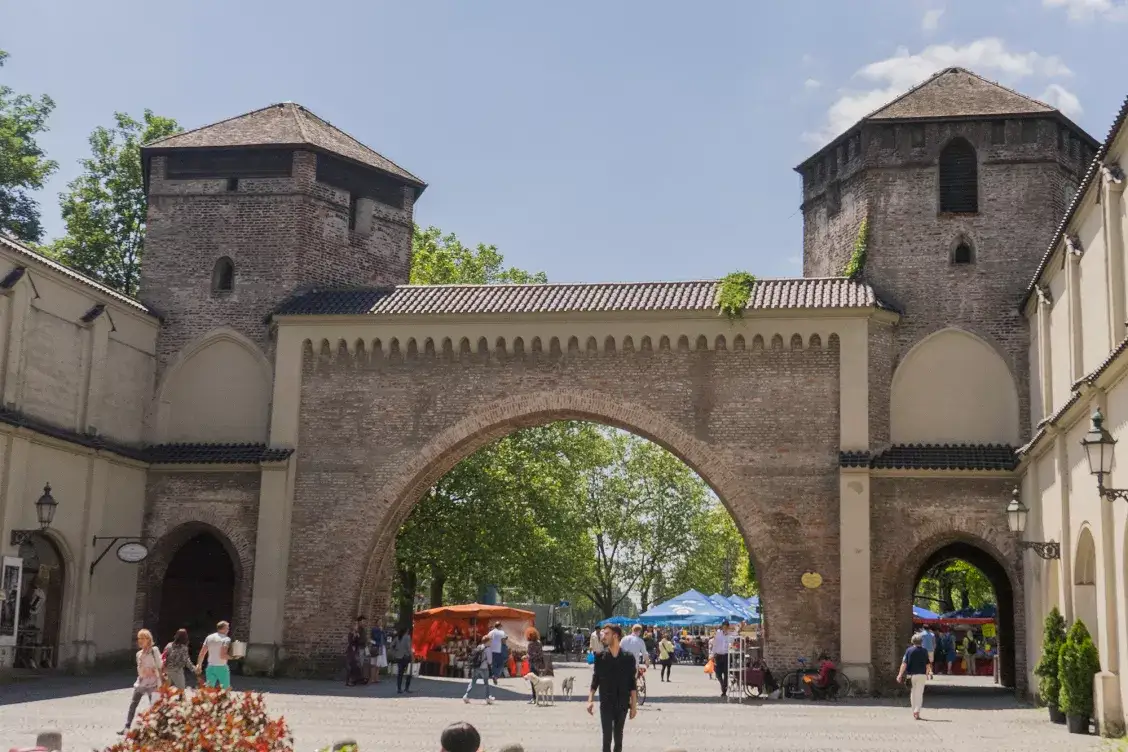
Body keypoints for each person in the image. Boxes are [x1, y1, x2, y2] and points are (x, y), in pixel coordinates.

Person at [587, 626, 638, 752]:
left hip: (622, 703)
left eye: (606, 634)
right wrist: (590, 700)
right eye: (603, 633)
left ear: (615, 636)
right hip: (606, 702)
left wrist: (634, 705)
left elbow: (632, 683)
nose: (603, 636)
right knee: (607, 737)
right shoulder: (600, 657)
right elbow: (595, 680)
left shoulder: (628, 658)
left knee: (618, 737)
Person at [120, 629, 163, 734]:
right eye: (139, 638)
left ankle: (157, 729)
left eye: (142, 638)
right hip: (142, 682)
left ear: (148, 639)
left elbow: (160, 665)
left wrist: (153, 672)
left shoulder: (154, 650)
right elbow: (139, 669)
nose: (139, 641)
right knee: (133, 704)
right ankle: (127, 727)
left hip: (153, 682)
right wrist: (142, 672)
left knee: (155, 706)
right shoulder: (138, 654)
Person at [896, 632, 933, 720]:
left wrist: (900, 674)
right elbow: (927, 664)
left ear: (913, 641)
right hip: (921, 675)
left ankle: (914, 710)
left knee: (913, 692)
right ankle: (917, 710)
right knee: (919, 693)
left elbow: (904, 663)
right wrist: (929, 673)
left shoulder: (908, 651)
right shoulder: (924, 651)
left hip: (911, 675)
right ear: (921, 641)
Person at [195, 620, 232, 689]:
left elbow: (202, 652)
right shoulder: (226, 639)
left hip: (210, 666)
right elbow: (222, 655)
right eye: (227, 628)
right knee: (225, 689)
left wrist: (199, 664)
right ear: (223, 628)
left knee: (209, 690)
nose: (228, 630)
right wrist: (233, 657)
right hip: (221, 667)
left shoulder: (209, 637)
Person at [463, 635, 495, 705]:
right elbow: (490, 661)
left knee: (473, 682)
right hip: (484, 668)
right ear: (487, 641)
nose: (491, 642)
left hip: (476, 667)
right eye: (490, 641)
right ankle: (487, 698)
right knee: (486, 683)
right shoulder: (488, 649)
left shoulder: (479, 646)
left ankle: (466, 695)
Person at [345, 615, 368, 686]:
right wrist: (356, 636)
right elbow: (351, 642)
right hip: (353, 651)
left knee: (357, 665)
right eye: (355, 625)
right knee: (353, 666)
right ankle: (351, 680)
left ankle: (358, 679)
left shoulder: (361, 631)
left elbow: (359, 640)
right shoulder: (352, 633)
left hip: (357, 649)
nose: (356, 627)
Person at [391, 626, 414, 694]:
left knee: (400, 674)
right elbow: (409, 648)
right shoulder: (407, 637)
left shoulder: (397, 637)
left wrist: (395, 653)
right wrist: (412, 656)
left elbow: (391, 646)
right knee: (409, 673)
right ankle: (406, 688)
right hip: (406, 657)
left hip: (399, 657)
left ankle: (399, 688)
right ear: (407, 630)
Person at [711, 620, 731, 697]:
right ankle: (722, 685)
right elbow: (715, 645)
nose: (725, 628)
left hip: (726, 656)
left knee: (726, 674)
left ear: (728, 627)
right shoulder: (718, 634)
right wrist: (712, 654)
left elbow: (736, 633)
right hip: (718, 656)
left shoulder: (730, 635)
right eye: (724, 626)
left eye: (726, 626)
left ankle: (724, 691)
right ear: (722, 627)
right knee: (718, 673)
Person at [525, 627, 545, 704]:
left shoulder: (530, 644)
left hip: (532, 664)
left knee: (533, 682)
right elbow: (540, 653)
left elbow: (530, 655)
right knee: (537, 681)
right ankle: (537, 697)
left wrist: (526, 656)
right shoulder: (539, 643)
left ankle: (534, 698)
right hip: (539, 664)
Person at [369, 618, 387, 684]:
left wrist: (383, 632)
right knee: (374, 663)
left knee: (379, 663)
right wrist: (380, 631)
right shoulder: (375, 629)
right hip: (376, 647)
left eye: (381, 622)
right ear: (376, 623)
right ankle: (372, 678)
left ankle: (376, 677)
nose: (380, 623)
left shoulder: (382, 629)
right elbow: (375, 637)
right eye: (379, 622)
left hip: (381, 647)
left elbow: (385, 637)